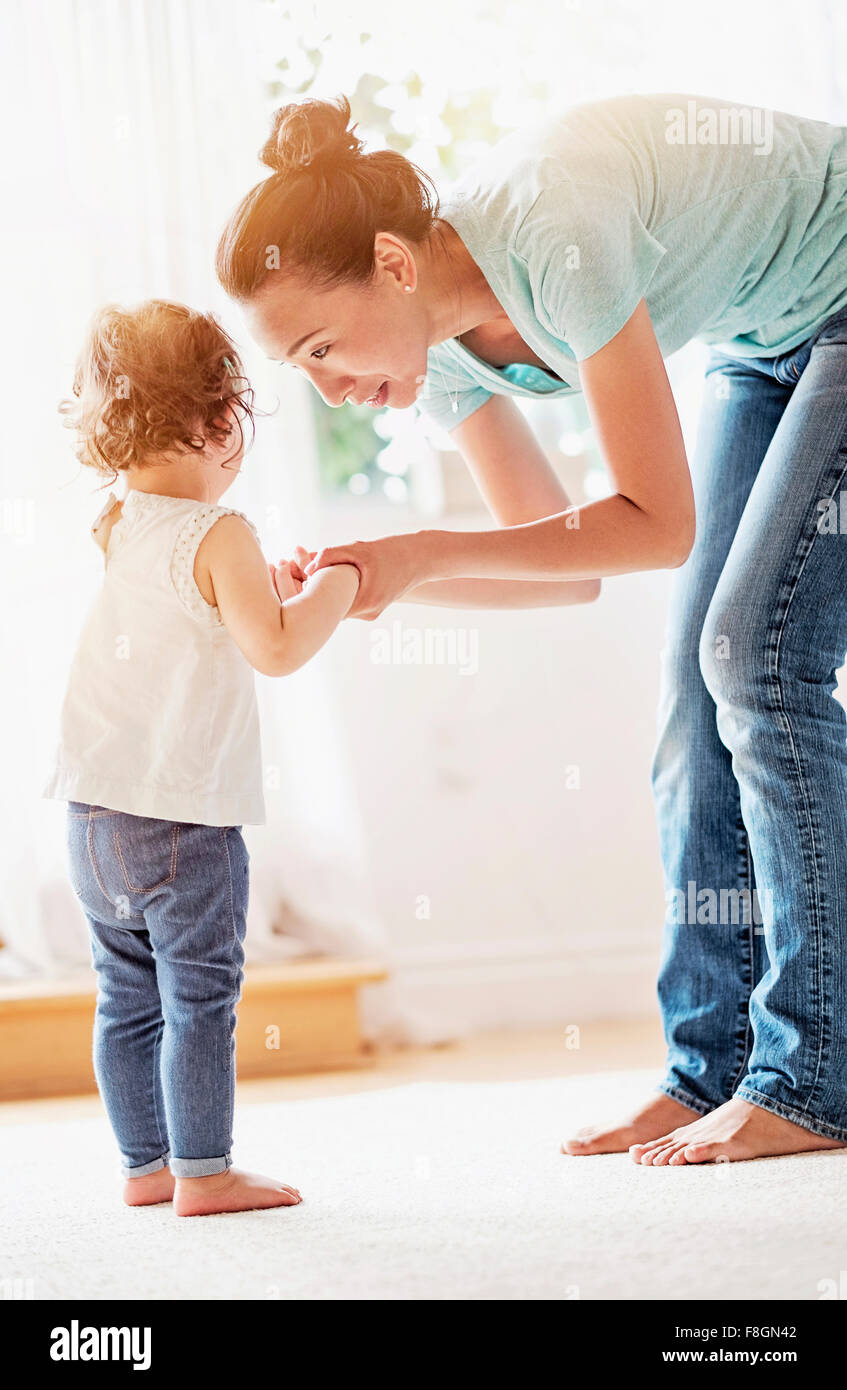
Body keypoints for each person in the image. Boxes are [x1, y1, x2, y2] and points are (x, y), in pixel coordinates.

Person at [216, 92, 847, 1164]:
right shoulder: (438, 356)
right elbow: (563, 570)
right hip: (764, 335)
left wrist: (419, 551)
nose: (330, 390)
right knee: (695, 695)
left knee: (753, 653)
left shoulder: (552, 231)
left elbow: (652, 524)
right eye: (302, 371)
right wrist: (377, 577)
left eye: (323, 347)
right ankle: (706, 1069)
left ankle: (816, 1072)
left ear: (395, 264)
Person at [45, 299, 359, 1213]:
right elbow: (276, 648)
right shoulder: (224, 533)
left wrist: (267, 590)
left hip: (92, 817)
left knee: (126, 999)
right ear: (222, 417)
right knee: (199, 1002)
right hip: (183, 822)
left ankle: (145, 1168)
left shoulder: (117, 522)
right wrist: (335, 584)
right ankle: (206, 1174)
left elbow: (187, 609)